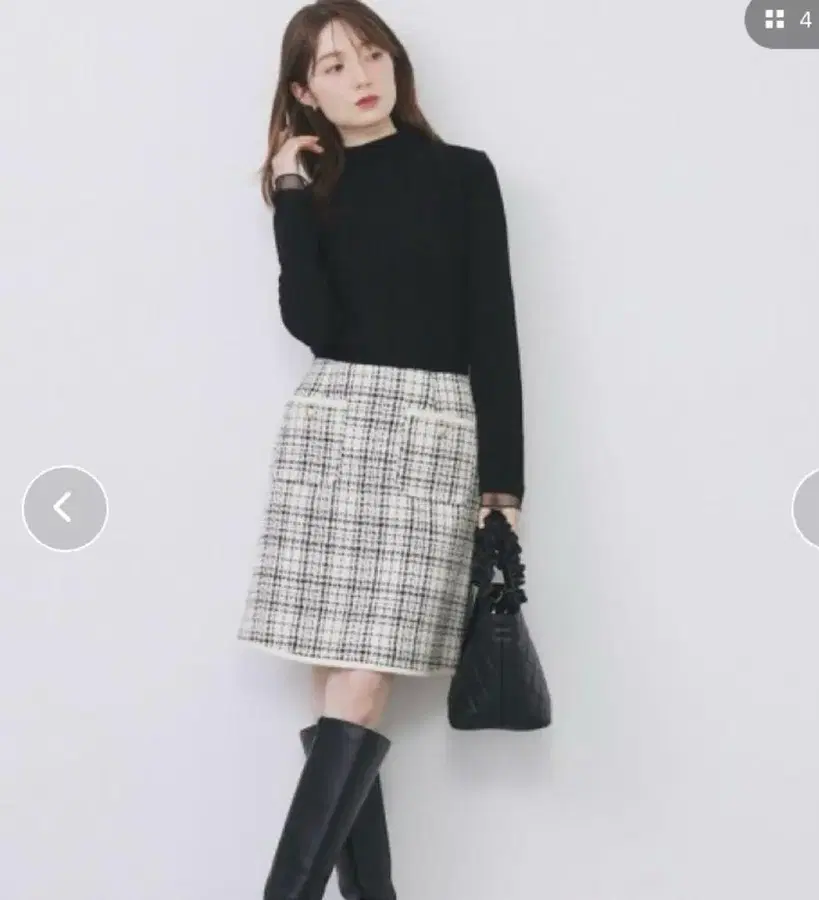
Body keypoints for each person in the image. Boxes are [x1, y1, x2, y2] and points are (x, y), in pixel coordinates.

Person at [237, 1, 525, 897]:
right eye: (332, 67)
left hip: (431, 436)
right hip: (331, 431)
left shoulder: (463, 175)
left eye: (370, 54)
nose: (360, 76)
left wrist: (503, 486)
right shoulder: (314, 190)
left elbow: (494, 331)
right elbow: (314, 325)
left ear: (396, 62)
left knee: (359, 690)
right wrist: (288, 192)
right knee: (339, 694)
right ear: (304, 93)